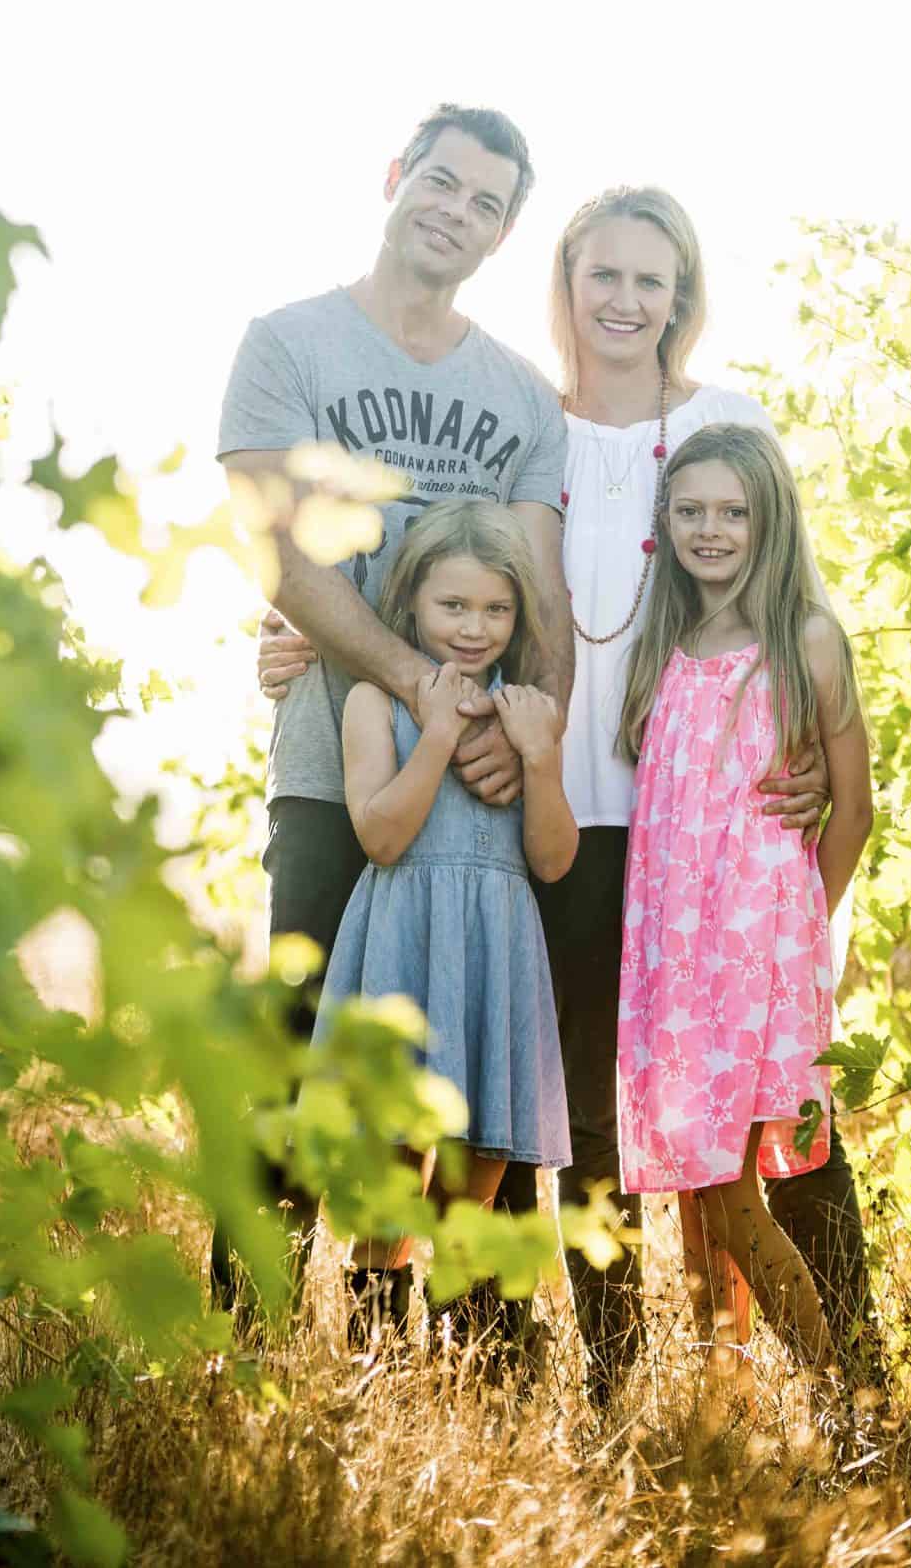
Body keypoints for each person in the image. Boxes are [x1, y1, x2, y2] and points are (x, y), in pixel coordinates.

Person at [263, 187, 873, 1403]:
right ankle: (603, 1383)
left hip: (695, 827)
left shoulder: (724, 421)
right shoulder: (518, 420)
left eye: (651, 279)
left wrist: (812, 761)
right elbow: (430, 553)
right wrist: (295, 635)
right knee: (571, 1114)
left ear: (683, 294)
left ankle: (854, 1370)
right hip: (543, 807)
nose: (625, 301)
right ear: (565, 284)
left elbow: (783, 586)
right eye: (602, 275)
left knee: (767, 1121)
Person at [215, 104, 573, 1329]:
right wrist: (411, 684)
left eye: (484, 201)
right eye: (441, 181)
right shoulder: (289, 345)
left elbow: (544, 590)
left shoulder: (522, 396)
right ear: (395, 177)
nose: (454, 210)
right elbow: (277, 552)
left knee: (472, 1072)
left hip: (475, 785)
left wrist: (519, 732)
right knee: (299, 1040)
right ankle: (242, 1340)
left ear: (504, 230)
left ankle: (468, 1355)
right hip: (338, 762)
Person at [614, 422, 875, 1402]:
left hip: (763, 951)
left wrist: (805, 927)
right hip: (676, 968)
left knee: (757, 1181)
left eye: (732, 511)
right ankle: (756, 1394)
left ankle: (852, 1399)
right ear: (664, 523)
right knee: (710, 1186)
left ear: (769, 520)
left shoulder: (804, 635)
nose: (711, 529)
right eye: (690, 511)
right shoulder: (664, 647)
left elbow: (853, 807)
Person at [307, 500, 577, 1348]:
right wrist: (434, 734)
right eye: (453, 606)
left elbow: (553, 859)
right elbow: (382, 835)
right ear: (412, 603)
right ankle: (371, 1363)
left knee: (480, 1173)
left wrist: (540, 757)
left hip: (495, 948)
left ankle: (456, 1358)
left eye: (495, 609)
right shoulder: (370, 705)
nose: (474, 627)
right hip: (405, 945)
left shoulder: (527, 711)